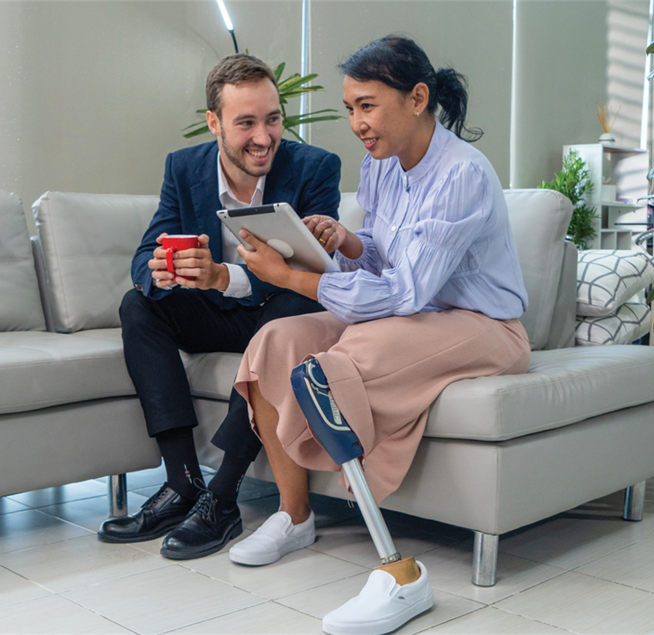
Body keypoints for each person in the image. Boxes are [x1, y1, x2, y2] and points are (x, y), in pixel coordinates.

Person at [230, 36, 531, 634]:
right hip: (415, 315)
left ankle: (395, 572)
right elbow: (386, 260)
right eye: (349, 109)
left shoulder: (462, 176)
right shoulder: (380, 166)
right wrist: (345, 243)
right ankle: (295, 516)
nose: (356, 124)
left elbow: (406, 292)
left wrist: (291, 275)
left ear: (418, 98)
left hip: (484, 326)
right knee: (277, 342)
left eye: (366, 105)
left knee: (347, 356)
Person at [98, 53, 342, 561]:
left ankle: (222, 495)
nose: (263, 136)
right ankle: (183, 481)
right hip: (219, 314)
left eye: (273, 119)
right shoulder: (183, 168)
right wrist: (156, 271)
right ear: (214, 123)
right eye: (246, 123)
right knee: (138, 306)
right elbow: (146, 252)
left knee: (291, 309)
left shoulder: (315, 168)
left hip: (278, 314)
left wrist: (222, 276)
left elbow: (315, 271)